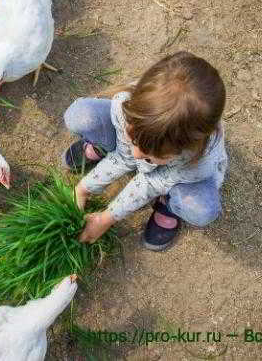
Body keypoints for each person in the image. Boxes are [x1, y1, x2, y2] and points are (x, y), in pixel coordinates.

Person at [62, 51, 228, 251]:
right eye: (134, 140)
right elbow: (125, 157)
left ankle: (169, 202)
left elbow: (150, 182)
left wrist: (106, 218)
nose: (136, 154)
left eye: (151, 155)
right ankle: (103, 145)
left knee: (203, 210)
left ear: (183, 150)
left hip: (179, 174)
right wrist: (83, 188)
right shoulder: (130, 110)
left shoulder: (196, 163)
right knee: (81, 115)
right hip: (145, 135)